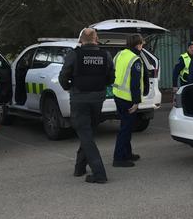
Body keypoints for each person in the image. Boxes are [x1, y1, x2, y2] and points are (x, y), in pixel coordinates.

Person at [58, 28, 114, 184]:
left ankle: (99, 173)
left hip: (79, 98)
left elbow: (63, 76)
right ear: (96, 39)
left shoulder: (74, 54)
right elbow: (111, 77)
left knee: (85, 134)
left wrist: (69, 87)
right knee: (88, 133)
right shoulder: (105, 55)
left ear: (81, 40)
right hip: (98, 98)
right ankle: (80, 167)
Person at [112, 34, 147, 167]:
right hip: (128, 99)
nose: (142, 46)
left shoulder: (120, 54)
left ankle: (127, 153)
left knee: (125, 126)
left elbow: (113, 71)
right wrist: (136, 102)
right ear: (137, 45)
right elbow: (135, 84)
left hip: (117, 95)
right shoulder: (135, 60)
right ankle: (119, 158)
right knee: (125, 129)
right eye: (142, 44)